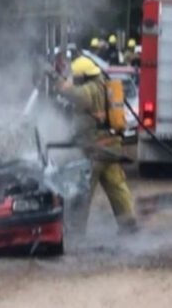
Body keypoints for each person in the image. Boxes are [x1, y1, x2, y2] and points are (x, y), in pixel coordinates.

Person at [59, 56, 139, 234]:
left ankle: (75, 230)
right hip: (110, 146)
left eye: (76, 77)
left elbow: (79, 97)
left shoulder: (90, 89)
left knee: (83, 190)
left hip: (96, 149)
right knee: (116, 186)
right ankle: (128, 224)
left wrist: (60, 84)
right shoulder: (103, 83)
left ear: (83, 76)